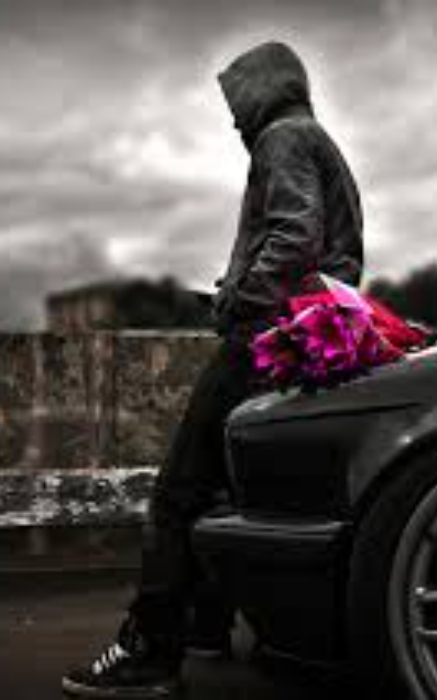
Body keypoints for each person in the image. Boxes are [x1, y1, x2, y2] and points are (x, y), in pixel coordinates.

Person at [62, 40, 364, 698]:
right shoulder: (316, 139)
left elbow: (294, 235)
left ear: (265, 90)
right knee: (232, 488)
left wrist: (238, 300)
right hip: (309, 336)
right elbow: (322, 251)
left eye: (236, 102)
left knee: (179, 491)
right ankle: (206, 623)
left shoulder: (282, 138)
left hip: (265, 335)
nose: (232, 120)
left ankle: (150, 652)